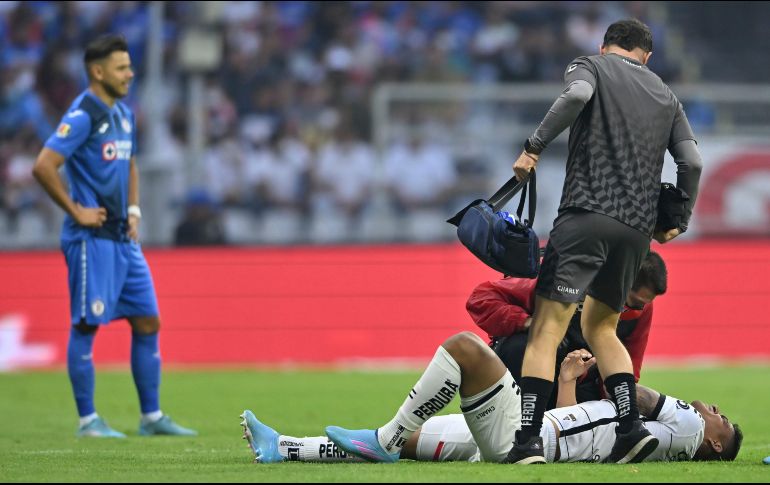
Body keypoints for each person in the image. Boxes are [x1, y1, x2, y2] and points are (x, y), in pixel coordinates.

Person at [506, 19, 703, 463]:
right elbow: (691, 161)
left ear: (605, 45)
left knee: (546, 329)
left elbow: (575, 97)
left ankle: (528, 441)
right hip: (635, 231)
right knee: (602, 327)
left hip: (586, 215)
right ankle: (630, 429)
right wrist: (680, 219)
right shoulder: (666, 95)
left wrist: (534, 146)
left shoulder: (589, 66)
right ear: (646, 56)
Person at [32, 34, 196, 438]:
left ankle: (151, 417)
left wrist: (135, 210)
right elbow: (43, 165)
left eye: (130, 66)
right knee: (87, 325)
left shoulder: (123, 114)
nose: (130, 74)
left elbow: (131, 163)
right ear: (97, 71)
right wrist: (75, 211)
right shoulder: (83, 113)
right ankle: (88, 421)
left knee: (147, 320)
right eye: (122, 68)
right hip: (91, 239)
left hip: (123, 238)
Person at [238, 336, 741, 464]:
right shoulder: (648, 434)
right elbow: (577, 424)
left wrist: (615, 363)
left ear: (715, 445)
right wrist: (567, 379)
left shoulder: (689, 430)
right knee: (409, 439)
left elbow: (638, 390)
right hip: (535, 439)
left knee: (464, 348)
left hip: (519, 440)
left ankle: (388, 439)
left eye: (725, 422)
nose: (714, 412)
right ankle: (282, 447)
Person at [469, 251, 667, 408]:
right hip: (528, 369)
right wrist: (530, 323)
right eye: (631, 302)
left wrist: (619, 402)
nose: (630, 310)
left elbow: (630, 364)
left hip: (582, 381)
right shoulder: (562, 277)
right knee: (522, 346)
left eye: (640, 306)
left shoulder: (641, 309)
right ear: (619, 282)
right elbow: (481, 299)